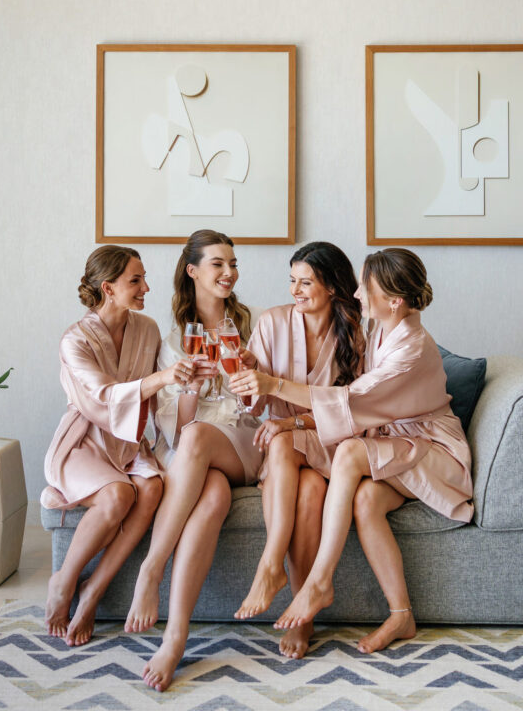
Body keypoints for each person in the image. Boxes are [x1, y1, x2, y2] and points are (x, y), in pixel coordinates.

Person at [234, 247, 474, 654]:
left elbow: (351, 401)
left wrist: (274, 386)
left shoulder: (411, 348)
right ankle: (402, 615)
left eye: (366, 287)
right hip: (393, 444)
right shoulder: (379, 329)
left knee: (348, 453)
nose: (357, 293)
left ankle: (319, 581)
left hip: (432, 451)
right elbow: (351, 410)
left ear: (394, 300)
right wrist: (282, 414)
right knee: (365, 501)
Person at [41, 245, 201, 646]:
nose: (146, 287)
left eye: (144, 278)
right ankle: (64, 582)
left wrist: (189, 386)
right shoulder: (74, 341)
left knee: (152, 488)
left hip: (129, 442)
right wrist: (165, 377)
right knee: (117, 496)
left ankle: (93, 590)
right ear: (108, 288)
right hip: (84, 441)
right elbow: (103, 397)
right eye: (136, 280)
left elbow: (158, 399)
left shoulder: (147, 329)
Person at [125, 229, 262, 692]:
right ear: (193, 271)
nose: (229, 272)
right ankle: (175, 637)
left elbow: (262, 407)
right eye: (218, 264)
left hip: (244, 441)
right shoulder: (172, 340)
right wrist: (190, 389)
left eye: (232, 264)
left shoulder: (252, 326)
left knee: (200, 436)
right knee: (213, 497)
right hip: (197, 452)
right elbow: (175, 429)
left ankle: (152, 568)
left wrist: (253, 375)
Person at [231, 240, 364, 661]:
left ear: (333, 286)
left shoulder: (356, 334)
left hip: (328, 442)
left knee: (283, 438)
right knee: (307, 490)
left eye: (306, 282)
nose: (295, 291)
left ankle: (272, 568)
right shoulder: (272, 323)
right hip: (281, 449)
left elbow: (355, 409)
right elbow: (253, 406)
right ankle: (299, 605)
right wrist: (248, 374)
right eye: (292, 281)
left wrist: (291, 422)